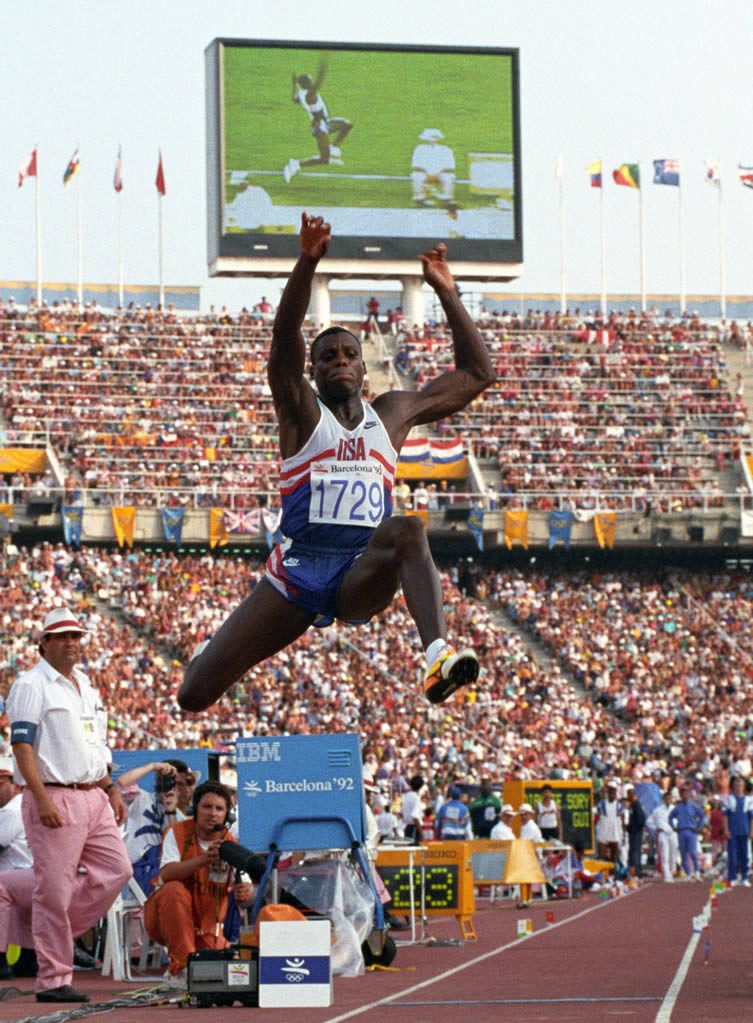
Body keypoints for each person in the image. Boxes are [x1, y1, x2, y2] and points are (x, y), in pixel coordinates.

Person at [180, 213, 495, 713]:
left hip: (357, 571)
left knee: (409, 530)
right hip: (298, 571)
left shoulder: (391, 413)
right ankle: (206, 656)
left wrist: (447, 292)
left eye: (349, 353)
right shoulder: (302, 412)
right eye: (327, 356)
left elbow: (478, 374)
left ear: (363, 366)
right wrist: (307, 263)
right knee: (193, 696)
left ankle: (436, 656)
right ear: (313, 370)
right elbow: (284, 342)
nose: (340, 361)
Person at [6, 607, 132, 1003]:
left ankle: (47, 933)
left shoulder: (85, 684)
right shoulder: (31, 684)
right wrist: (40, 797)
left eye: (76, 636)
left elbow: (94, 743)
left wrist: (110, 788)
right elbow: (21, 745)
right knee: (54, 892)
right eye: (62, 637)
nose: (71, 643)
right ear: (42, 643)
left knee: (116, 871)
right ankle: (53, 979)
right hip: (54, 792)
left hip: (93, 793)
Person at [143, 780, 254, 986]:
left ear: (227, 816)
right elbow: (166, 874)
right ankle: (184, 967)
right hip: (162, 920)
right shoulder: (176, 833)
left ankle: (190, 969)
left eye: (219, 809)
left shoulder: (230, 844)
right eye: (207, 807)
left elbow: (247, 890)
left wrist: (247, 892)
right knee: (173, 889)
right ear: (195, 809)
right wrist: (204, 859)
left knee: (233, 975)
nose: (213, 813)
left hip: (206, 932)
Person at [283, 60, 353, 183]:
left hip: (324, 123)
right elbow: (319, 80)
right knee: (324, 160)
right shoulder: (310, 95)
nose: (312, 82)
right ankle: (296, 164)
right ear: (306, 84)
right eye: (310, 81)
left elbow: (294, 99)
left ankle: (332, 148)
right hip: (320, 128)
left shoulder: (301, 93)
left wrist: (294, 84)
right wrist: (324, 65)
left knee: (347, 125)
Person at [410, 128, 457, 209]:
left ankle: (447, 200)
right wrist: (427, 174)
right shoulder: (419, 149)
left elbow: (450, 166)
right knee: (417, 176)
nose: (432, 140)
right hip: (424, 173)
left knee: (449, 177)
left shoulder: (446, 150)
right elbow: (416, 165)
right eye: (430, 138)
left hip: (441, 173)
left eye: (435, 138)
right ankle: (420, 199)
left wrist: (437, 174)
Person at [669, 785, 705, 880]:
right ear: (680, 794)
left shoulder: (693, 805)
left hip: (691, 831)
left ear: (688, 794)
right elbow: (670, 817)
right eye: (682, 793)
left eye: (686, 792)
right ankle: (688, 873)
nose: (684, 794)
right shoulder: (678, 807)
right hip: (681, 832)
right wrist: (673, 827)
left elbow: (701, 815)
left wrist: (699, 827)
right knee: (683, 854)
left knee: (693, 852)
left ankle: (697, 872)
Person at [722, 775, 753, 886]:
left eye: (740, 785)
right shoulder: (728, 799)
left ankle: (744, 877)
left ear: (744, 786)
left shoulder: (749, 800)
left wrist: (751, 831)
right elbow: (725, 816)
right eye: (736, 785)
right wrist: (726, 829)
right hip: (733, 832)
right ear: (733, 786)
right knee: (732, 856)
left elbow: (751, 817)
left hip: (744, 831)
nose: (738, 787)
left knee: (745, 856)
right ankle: (732, 877)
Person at [647, 790, 678, 882]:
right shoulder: (657, 810)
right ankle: (666, 874)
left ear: (672, 799)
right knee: (664, 854)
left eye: (670, 798)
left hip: (673, 833)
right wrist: (655, 827)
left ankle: (672, 871)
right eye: (666, 798)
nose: (668, 800)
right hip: (662, 833)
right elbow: (649, 821)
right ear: (663, 799)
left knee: (673, 853)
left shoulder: (675, 809)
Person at [595, 782, 625, 863]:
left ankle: (614, 873)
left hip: (615, 832)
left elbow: (622, 821)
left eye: (614, 793)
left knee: (614, 857)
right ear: (608, 793)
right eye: (611, 792)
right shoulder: (601, 804)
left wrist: (623, 835)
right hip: (603, 831)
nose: (612, 795)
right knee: (602, 857)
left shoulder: (619, 805)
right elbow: (596, 819)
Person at [625, 784, 646, 878]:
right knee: (634, 851)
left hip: (636, 832)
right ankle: (636, 870)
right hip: (634, 831)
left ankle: (636, 871)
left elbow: (641, 818)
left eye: (629, 794)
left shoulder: (636, 804)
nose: (628, 796)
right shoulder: (633, 804)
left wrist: (633, 828)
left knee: (635, 851)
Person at [400, 775, 425, 844]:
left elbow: (401, 813)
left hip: (407, 827)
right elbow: (415, 817)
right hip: (414, 828)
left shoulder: (406, 796)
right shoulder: (416, 798)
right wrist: (421, 833)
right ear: (420, 787)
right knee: (414, 852)